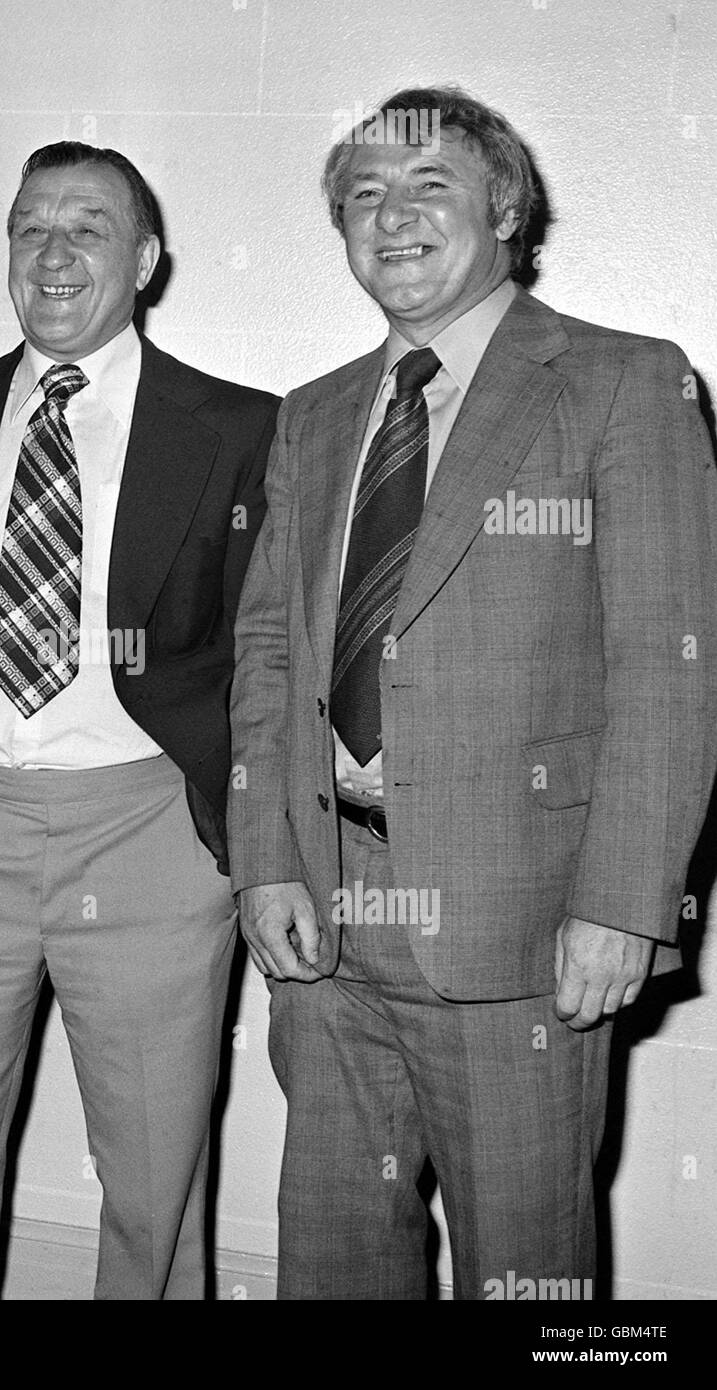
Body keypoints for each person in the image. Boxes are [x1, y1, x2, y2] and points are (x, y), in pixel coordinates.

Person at [229, 86, 717, 1299]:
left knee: (523, 1272)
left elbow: (669, 667)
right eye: (363, 197)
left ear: (503, 206)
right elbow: (268, 656)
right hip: (327, 922)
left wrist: (625, 903)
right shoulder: (312, 416)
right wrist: (265, 856)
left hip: (527, 933)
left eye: (427, 186)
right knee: (333, 1262)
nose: (390, 218)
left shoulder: (621, 382)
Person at [0, 141, 278, 1299]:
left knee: (153, 1177)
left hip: (145, 837)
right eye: (29, 224)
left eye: (87, 227)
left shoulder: (237, 427)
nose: (53, 250)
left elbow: (268, 655)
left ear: (144, 260)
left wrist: (240, 837)